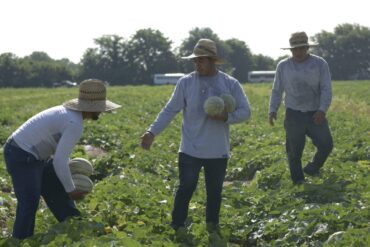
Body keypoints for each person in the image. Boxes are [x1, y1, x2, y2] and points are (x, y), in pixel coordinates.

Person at [140, 39, 251, 236]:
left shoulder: (229, 83)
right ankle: (177, 225)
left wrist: (226, 116)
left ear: (212, 61)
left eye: (201, 60)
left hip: (218, 150)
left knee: (214, 192)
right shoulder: (186, 82)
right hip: (190, 148)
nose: (197, 64)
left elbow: (246, 112)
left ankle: (212, 227)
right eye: (195, 61)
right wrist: (151, 132)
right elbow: (169, 110)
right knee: (186, 187)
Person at [3, 79, 121, 239]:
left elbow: (59, 156)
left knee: (55, 189)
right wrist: (71, 189)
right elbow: (59, 160)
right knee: (29, 202)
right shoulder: (74, 123)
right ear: (92, 108)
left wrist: (66, 185)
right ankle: (19, 241)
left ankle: (77, 229)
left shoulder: (69, 114)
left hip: (34, 155)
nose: (101, 112)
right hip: (21, 154)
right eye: (100, 108)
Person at [269, 31, 333, 184]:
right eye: (294, 49)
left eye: (301, 48)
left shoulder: (319, 64)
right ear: (290, 50)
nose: (298, 52)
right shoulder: (283, 66)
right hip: (293, 114)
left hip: (315, 112)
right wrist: (273, 109)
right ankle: (298, 181)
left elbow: (326, 88)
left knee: (326, 144)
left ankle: (312, 167)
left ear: (307, 48)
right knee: (294, 151)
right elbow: (277, 89)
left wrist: (322, 110)